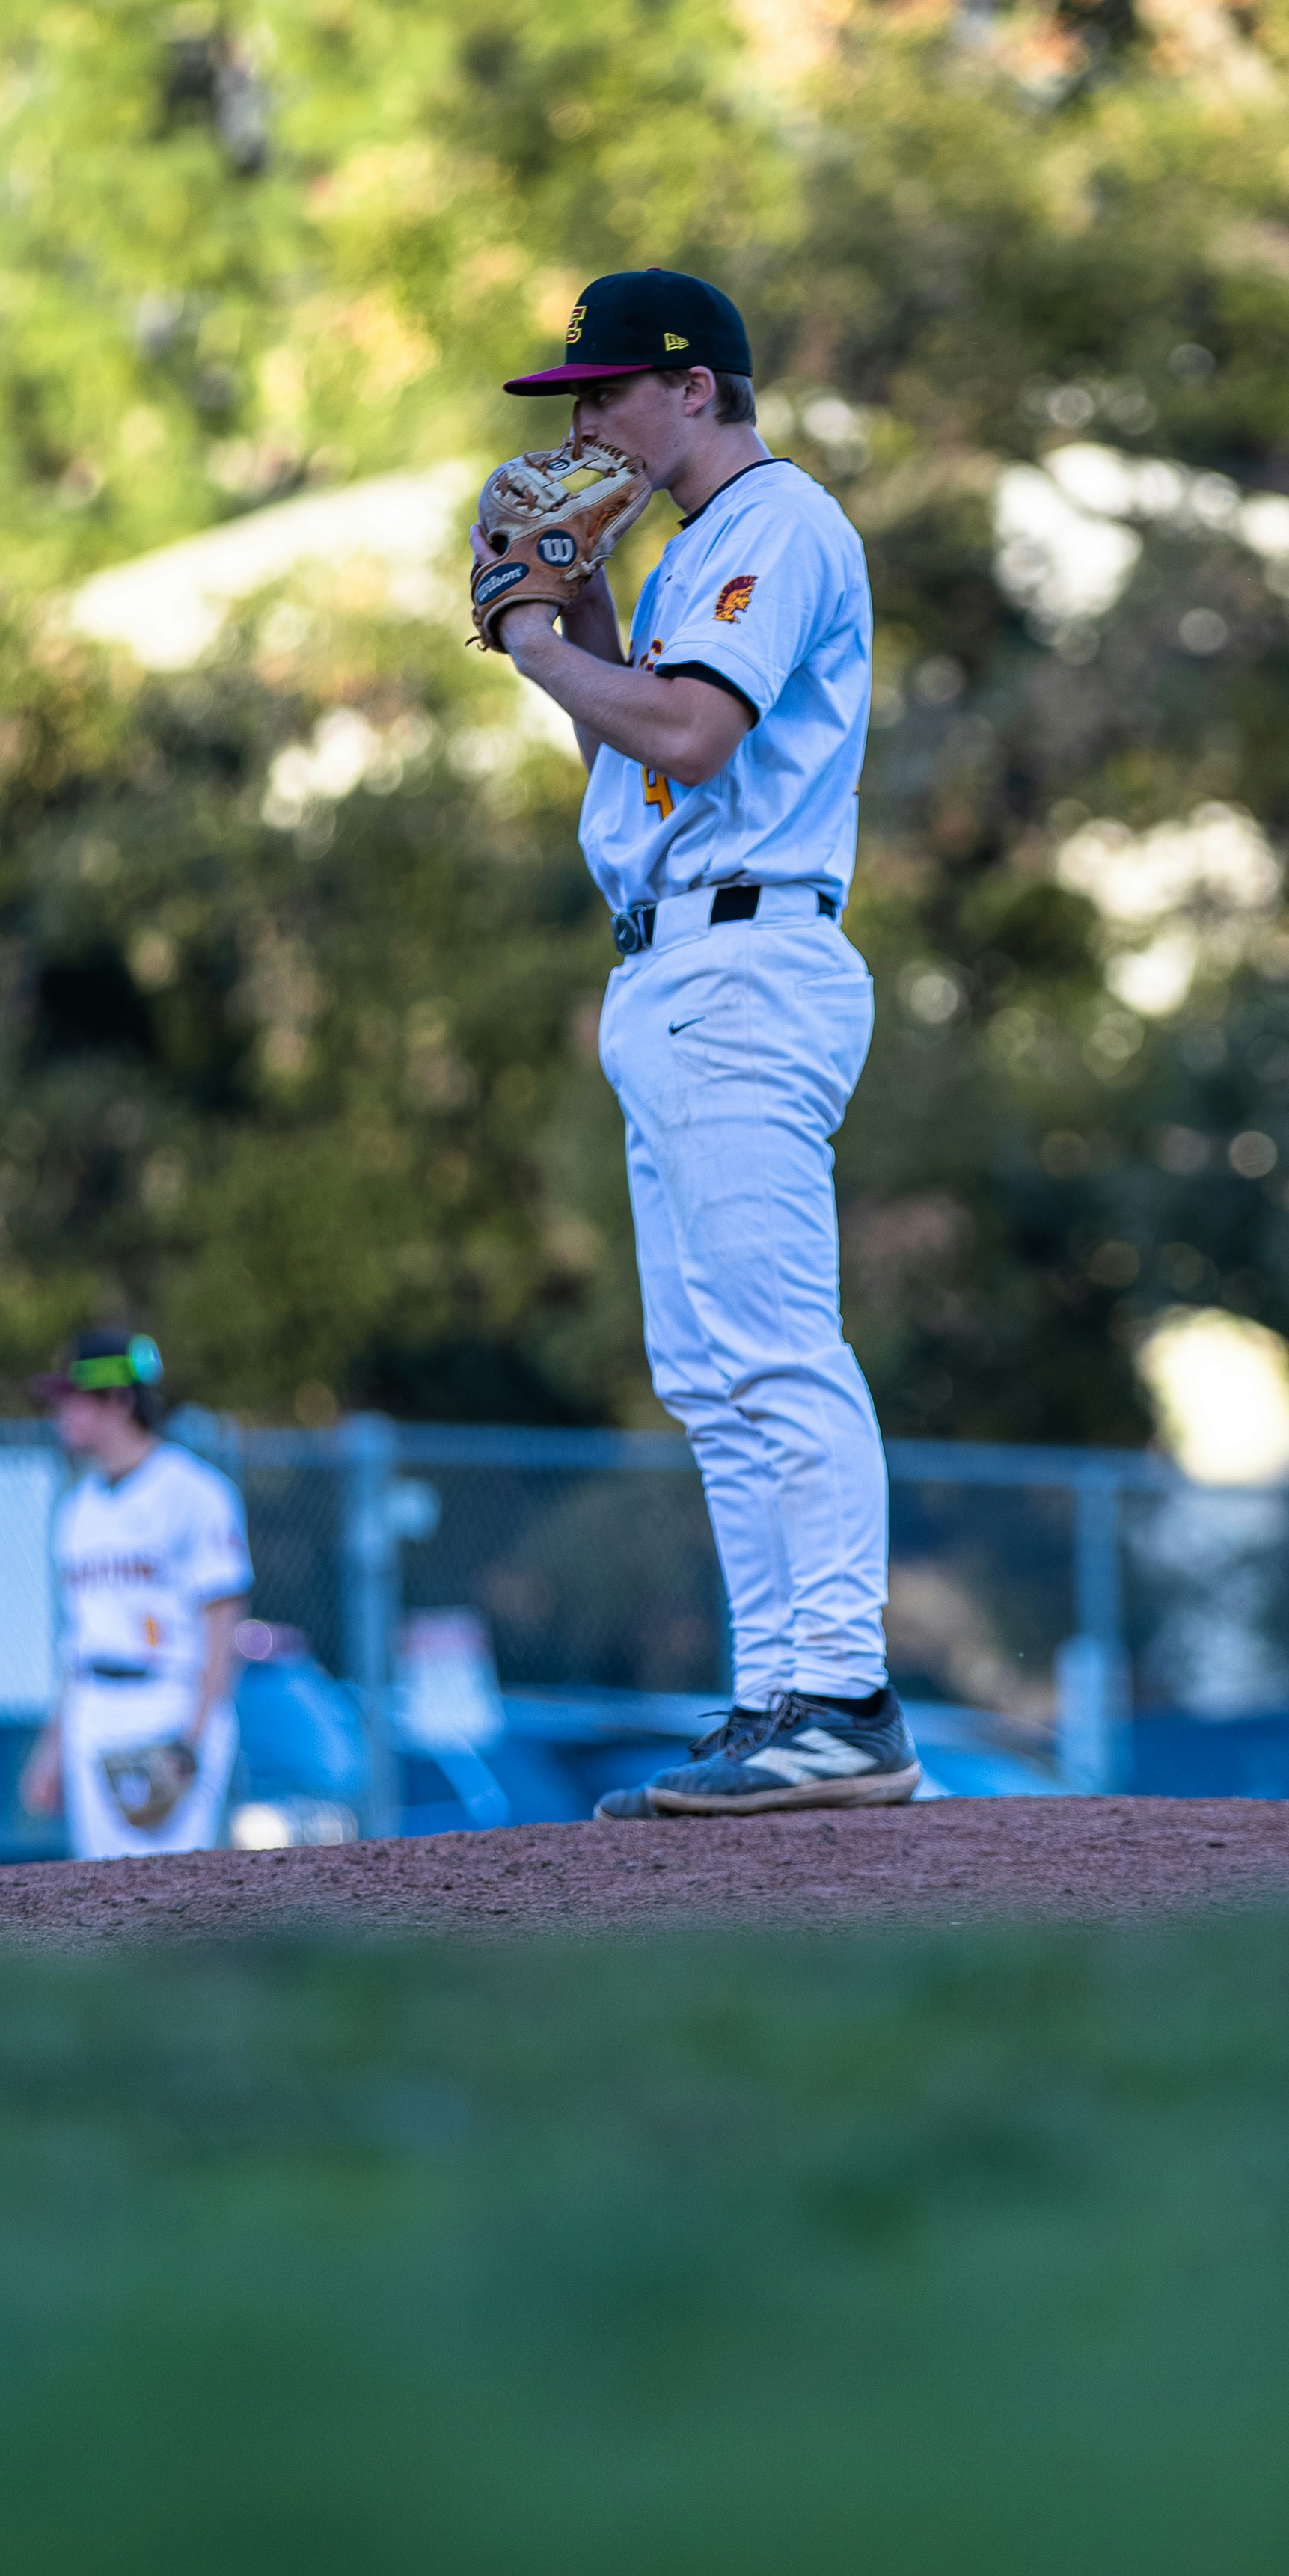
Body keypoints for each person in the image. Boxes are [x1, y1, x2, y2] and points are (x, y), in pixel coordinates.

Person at [480, 267, 920, 1816]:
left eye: (602, 389)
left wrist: (535, 640)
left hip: (750, 959)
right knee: (704, 1369)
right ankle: (769, 1695)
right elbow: (645, 732)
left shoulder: (780, 522)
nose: (580, 418)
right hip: (673, 967)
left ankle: (846, 1695)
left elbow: (687, 732)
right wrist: (585, 613)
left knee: (776, 1347)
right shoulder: (686, 558)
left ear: (691, 386)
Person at [17, 1333, 251, 1859]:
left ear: (119, 1400)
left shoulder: (193, 1491)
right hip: (93, 1707)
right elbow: (78, 1640)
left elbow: (222, 1625)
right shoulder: (76, 1509)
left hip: (169, 1700)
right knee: (102, 1897)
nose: (61, 1411)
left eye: (74, 1397)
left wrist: (190, 1740)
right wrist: (51, 1747)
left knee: (173, 1893)